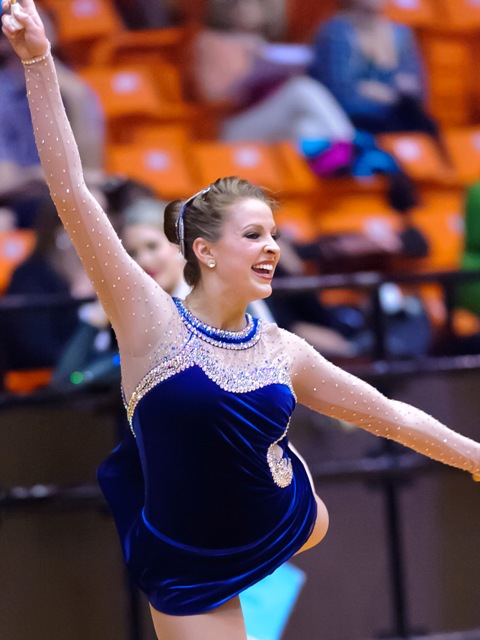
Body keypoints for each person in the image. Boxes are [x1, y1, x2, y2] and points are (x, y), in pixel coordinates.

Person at [2, 3, 480, 640]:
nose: (273, 248)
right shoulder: (148, 319)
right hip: (189, 563)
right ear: (203, 251)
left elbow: (391, 416)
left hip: (287, 516)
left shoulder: (285, 349)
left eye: (275, 235)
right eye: (254, 234)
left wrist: (475, 457)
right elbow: (71, 193)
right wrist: (39, 60)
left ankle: (286, 494)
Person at [192, 0, 355, 171]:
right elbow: (211, 96)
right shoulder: (210, 41)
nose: (249, 8)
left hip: (270, 121)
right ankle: (350, 143)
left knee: (307, 127)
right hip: (233, 128)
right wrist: (248, 81)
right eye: (242, 3)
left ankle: (316, 187)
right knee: (301, 89)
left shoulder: (264, 44)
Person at [307, 0, 442, 143]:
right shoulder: (336, 32)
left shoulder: (402, 34)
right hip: (352, 124)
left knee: (425, 126)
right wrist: (394, 95)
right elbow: (341, 96)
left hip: (400, 120)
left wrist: (371, 90)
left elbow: (417, 93)